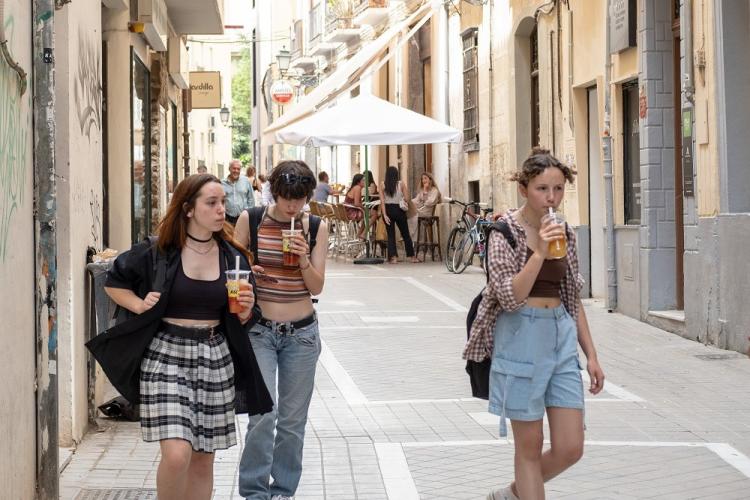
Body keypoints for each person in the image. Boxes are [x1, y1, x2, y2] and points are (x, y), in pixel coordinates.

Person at [87, 174, 273, 500]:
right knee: (176, 455)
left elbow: (246, 315)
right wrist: (139, 303)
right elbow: (113, 281)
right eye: (211, 203)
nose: (220, 210)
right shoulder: (159, 251)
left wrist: (245, 312)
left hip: (216, 357)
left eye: (222, 203)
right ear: (188, 209)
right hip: (166, 356)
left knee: (203, 458)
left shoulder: (232, 257)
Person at [464, 147, 605, 500]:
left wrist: (591, 355)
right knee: (529, 447)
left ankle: (512, 493)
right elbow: (510, 297)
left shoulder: (566, 233)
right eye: (543, 189)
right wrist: (539, 252)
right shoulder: (503, 233)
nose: (551, 197)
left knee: (570, 447)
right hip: (518, 335)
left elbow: (572, 296)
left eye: (558, 189)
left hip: (559, 333)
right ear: (524, 189)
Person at [234, 160, 329, 500]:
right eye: (287, 198)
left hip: (302, 334)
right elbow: (231, 269)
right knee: (263, 415)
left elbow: (316, 287)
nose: (293, 206)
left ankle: (283, 491)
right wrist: (249, 272)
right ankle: (254, 492)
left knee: (291, 421)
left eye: (300, 199)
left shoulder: (316, 226)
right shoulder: (251, 220)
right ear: (274, 192)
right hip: (260, 330)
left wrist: (303, 258)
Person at [381, 165, 420, 264]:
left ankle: (393, 257)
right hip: (399, 210)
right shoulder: (401, 184)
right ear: (396, 174)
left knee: (390, 235)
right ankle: (412, 257)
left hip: (388, 210)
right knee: (405, 233)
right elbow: (407, 198)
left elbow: (382, 201)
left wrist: (385, 215)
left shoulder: (382, 184)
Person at [408, 171, 442, 241]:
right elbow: (416, 201)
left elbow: (430, 202)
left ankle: (410, 235)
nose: (423, 180)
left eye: (425, 178)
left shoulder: (434, 191)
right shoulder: (422, 190)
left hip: (427, 213)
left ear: (430, 180)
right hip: (421, 211)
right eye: (422, 179)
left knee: (410, 213)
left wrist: (425, 192)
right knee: (406, 210)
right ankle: (409, 235)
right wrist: (408, 201)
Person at [222, 159, 255, 224]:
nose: (236, 171)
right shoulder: (222, 183)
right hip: (227, 218)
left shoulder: (246, 181)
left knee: (242, 234)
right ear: (229, 169)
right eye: (234, 168)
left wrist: (249, 213)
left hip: (243, 217)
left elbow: (251, 199)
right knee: (228, 234)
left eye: (238, 169)